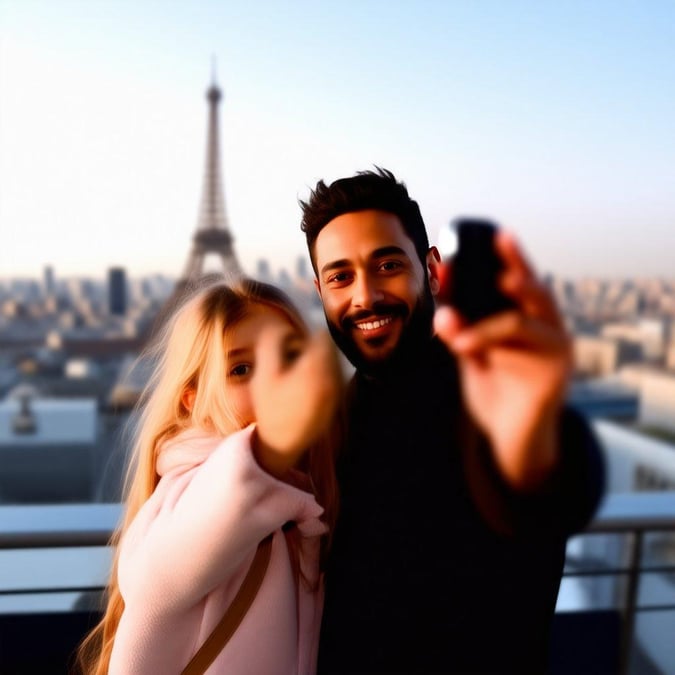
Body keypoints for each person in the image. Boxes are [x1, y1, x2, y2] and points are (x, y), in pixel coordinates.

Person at [299, 167, 605, 674]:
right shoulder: (330, 429)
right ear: (320, 291)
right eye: (340, 277)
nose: (365, 296)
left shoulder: (490, 394)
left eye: (388, 264)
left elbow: (555, 479)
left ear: (433, 269)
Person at [75, 279, 342, 675]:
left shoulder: (301, 497)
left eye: (288, 359)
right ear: (193, 399)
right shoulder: (192, 494)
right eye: (241, 369)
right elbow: (156, 574)